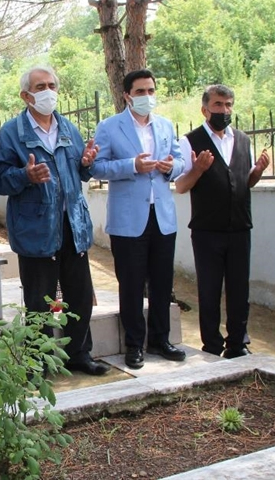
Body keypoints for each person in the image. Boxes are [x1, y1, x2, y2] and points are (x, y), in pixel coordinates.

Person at [0, 66, 110, 376]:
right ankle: (37, 362)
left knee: (79, 297)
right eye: (40, 86)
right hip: (36, 230)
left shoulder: (68, 128)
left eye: (52, 85)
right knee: (39, 303)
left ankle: (79, 354)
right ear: (26, 96)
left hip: (73, 226)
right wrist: (25, 176)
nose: (48, 91)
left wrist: (86, 165)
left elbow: (79, 173)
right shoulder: (12, 133)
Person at [89, 69, 186, 369]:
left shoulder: (166, 125)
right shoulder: (109, 127)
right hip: (128, 219)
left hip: (163, 216)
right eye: (141, 91)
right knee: (130, 285)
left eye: (151, 91)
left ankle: (160, 339)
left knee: (161, 282)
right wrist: (132, 165)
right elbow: (98, 168)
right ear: (127, 96)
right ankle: (134, 345)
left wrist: (172, 167)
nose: (147, 97)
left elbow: (181, 161)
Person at [175, 84, 270, 358]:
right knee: (210, 289)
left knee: (240, 289)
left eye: (228, 105)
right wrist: (199, 169)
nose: (224, 110)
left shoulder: (242, 139)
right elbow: (181, 186)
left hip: (240, 227)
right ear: (205, 109)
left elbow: (245, 181)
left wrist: (259, 171)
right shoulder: (190, 141)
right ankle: (212, 346)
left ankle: (238, 344)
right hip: (207, 230)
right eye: (218, 105)